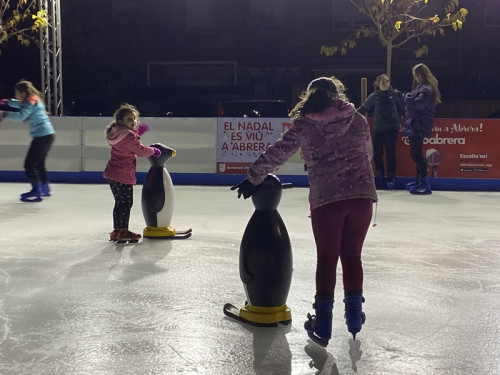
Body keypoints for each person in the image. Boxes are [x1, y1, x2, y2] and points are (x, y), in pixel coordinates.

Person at [232, 77, 377, 347]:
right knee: (353, 256)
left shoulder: (305, 123)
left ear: (310, 96)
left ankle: (323, 325)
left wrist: (253, 177)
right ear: (338, 94)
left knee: (327, 259)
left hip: (327, 198)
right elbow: (367, 153)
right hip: (361, 196)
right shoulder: (356, 118)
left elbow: (279, 152)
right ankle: (355, 319)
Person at [103, 103, 160, 243]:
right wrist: (154, 151)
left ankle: (117, 231)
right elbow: (140, 151)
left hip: (112, 173)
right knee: (126, 203)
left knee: (119, 203)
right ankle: (123, 232)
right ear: (121, 121)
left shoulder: (116, 131)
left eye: (134, 119)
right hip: (122, 175)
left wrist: (137, 133)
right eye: (129, 119)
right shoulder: (129, 136)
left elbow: (125, 142)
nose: (133, 122)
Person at [0, 80, 55, 202]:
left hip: (42, 136)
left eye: (17, 93)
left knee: (29, 164)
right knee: (39, 163)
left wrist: (5, 113)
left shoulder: (29, 103)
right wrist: (8, 102)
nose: (15, 96)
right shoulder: (32, 100)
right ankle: (44, 188)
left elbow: (21, 115)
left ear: (23, 93)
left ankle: (36, 190)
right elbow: (20, 104)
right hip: (47, 135)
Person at [357, 74, 404, 189]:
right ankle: (380, 173)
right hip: (379, 128)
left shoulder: (395, 94)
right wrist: (353, 115)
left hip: (392, 128)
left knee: (390, 153)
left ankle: (391, 176)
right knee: (377, 152)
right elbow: (364, 107)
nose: (385, 84)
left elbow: (402, 108)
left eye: (387, 82)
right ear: (378, 84)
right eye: (383, 82)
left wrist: (406, 120)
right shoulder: (374, 96)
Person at [403, 63, 441, 195]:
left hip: (418, 125)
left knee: (417, 154)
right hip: (415, 124)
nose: (415, 78)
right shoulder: (421, 88)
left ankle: (425, 182)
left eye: (416, 75)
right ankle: (420, 179)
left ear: (420, 75)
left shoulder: (426, 90)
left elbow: (418, 104)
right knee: (415, 154)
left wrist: (406, 97)